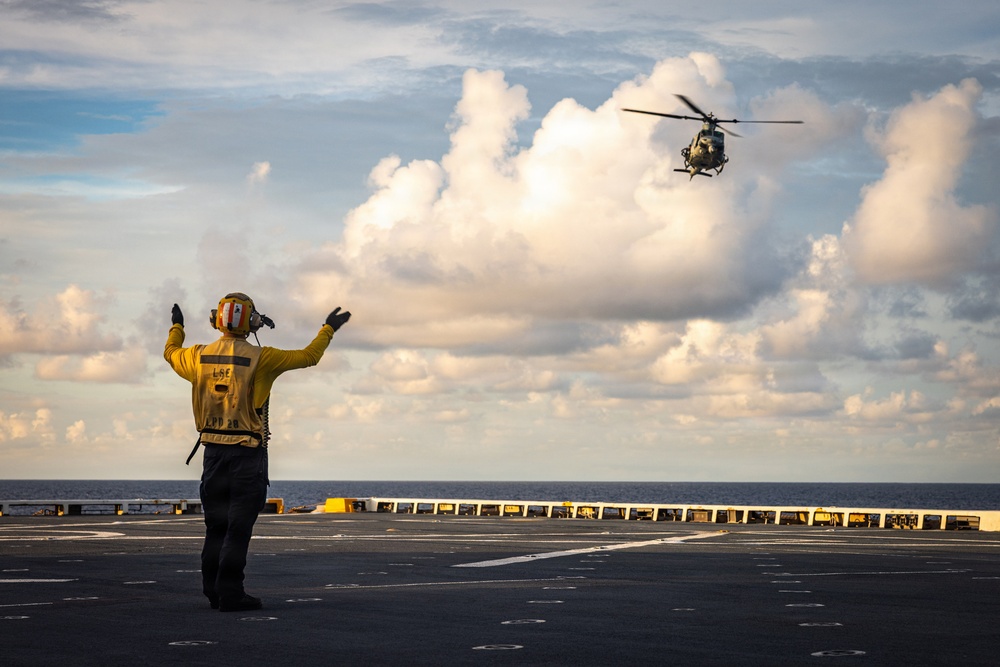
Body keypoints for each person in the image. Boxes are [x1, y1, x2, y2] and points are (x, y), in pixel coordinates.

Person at [164, 292, 351, 612]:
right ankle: (231, 593)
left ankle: (212, 591)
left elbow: (170, 353)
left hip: (213, 455)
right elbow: (310, 356)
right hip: (247, 456)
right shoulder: (263, 357)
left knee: (216, 527)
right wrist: (328, 328)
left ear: (216, 320)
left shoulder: (197, 356)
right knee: (238, 529)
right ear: (251, 322)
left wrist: (177, 327)